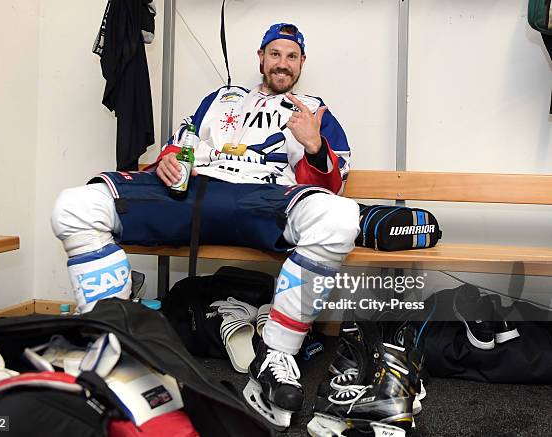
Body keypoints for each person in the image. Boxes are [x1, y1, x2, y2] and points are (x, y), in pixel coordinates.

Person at [51, 23, 360, 430]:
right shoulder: (220, 98)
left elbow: (332, 184)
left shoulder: (314, 109)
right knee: (75, 206)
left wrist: (315, 145)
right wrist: (168, 159)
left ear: (302, 63)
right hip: (193, 193)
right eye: (275, 54)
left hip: (262, 197)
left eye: (291, 56)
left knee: (341, 217)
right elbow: (181, 146)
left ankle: (276, 353)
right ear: (261, 58)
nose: (282, 63)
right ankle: (116, 342)